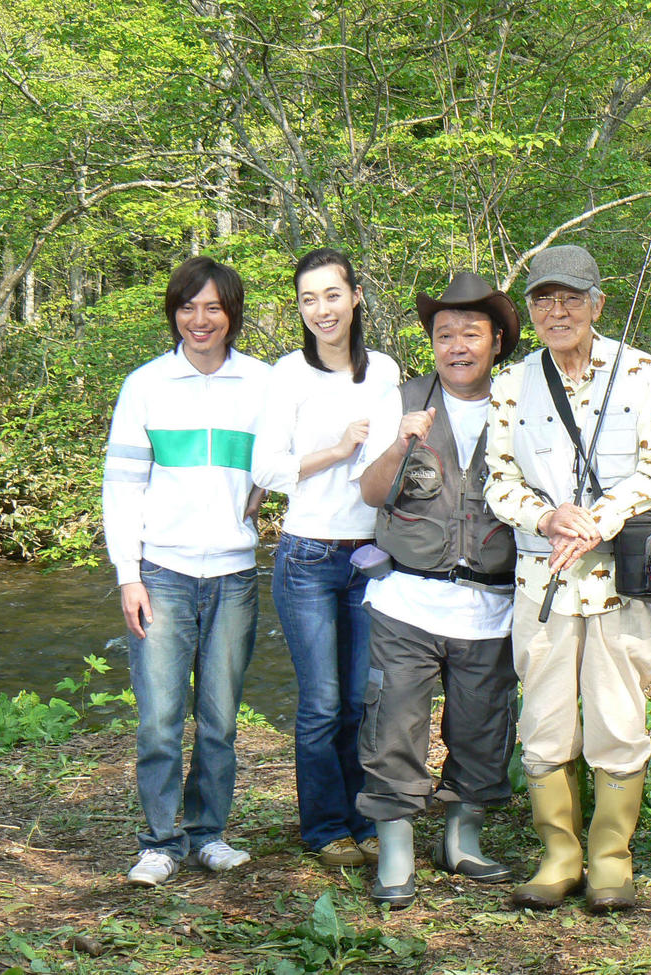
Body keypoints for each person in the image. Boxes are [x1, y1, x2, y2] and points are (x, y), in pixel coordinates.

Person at [485, 244, 651, 912]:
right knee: (542, 719)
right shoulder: (511, 384)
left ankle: (611, 861)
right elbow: (498, 481)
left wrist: (600, 519)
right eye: (544, 299)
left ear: (597, 303)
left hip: (622, 580)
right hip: (541, 582)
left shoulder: (641, 372)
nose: (557, 311)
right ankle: (559, 857)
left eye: (571, 298)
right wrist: (545, 516)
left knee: (619, 718)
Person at [354, 271, 522, 909]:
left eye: (471, 334)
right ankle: (395, 849)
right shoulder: (401, 402)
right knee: (393, 722)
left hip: (492, 605)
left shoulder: (522, 405)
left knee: (483, 724)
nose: (457, 346)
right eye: (444, 334)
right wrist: (402, 444)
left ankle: (461, 840)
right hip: (407, 600)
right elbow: (371, 493)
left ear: (496, 341)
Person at [102, 256, 271, 887]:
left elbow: (287, 454)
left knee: (220, 721)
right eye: (187, 307)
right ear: (174, 312)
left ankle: (208, 835)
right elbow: (122, 485)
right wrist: (128, 574)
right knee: (159, 721)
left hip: (234, 575)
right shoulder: (146, 385)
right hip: (162, 573)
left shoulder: (261, 383)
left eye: (213, 308)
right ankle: (159, 843)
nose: (199, 320)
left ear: (232, 314)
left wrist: (265, 484)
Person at [251, 248, 400, 867]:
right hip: (308, 555)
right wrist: (338, 452)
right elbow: (266, 468)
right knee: (321, 704)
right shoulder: (288, 374)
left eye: (332, 295)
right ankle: (324, 828)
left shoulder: (385, 371)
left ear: (356, 297)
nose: (322, 310)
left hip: (373, 556)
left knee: (362, 700)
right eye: (308, 299)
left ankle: (362, 820)